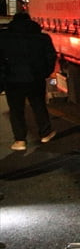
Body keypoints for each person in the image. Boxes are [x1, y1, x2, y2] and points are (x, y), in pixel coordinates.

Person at [0, 12, 58, 151]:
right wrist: (44, 72)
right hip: (35, 78)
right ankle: (45, 133)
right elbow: (51, 56)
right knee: (38, 105)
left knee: (16, 110)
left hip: (12, 79)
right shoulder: (42, 38)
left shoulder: (4, 38)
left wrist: (3, 76)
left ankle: (20, 140)